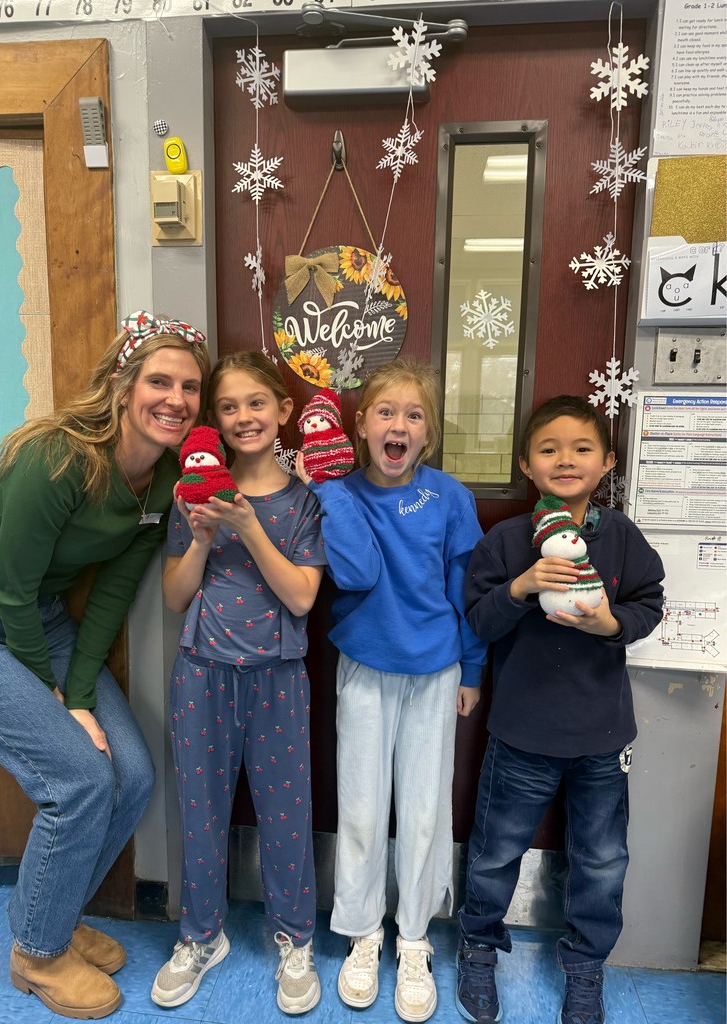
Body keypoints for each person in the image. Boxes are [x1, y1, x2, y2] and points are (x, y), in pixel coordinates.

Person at [0, 310, 210, 1019]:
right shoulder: (60, 457)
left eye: (190, 386)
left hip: (39, 622)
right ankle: (36, 954)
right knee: (77, 778)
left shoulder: (161, 481)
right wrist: (65, 703)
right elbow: (7, 588)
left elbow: (111, 598)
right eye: (160, 380)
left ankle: (56, 920)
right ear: (125, 385)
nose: (177, 399)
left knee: (130, 774)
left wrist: (77, 690)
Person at [455, 395, 665, 1024]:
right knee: (495, 852)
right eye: (548, 449)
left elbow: (651, 603)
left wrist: (609, 622)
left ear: (605, 462)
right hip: (521, 733)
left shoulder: (622, 538)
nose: (565, 460)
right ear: (526, 462)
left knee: (602, 859)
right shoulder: (506, 540)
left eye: (581, 449)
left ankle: (584, 967)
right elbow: (479, 619)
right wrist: (522, 586)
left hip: (603, 735)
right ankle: (478, 948)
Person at [295, 359, 487, 1024]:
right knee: (362, 809)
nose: (398, 424)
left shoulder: (450, 498)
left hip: (435, 672)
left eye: (412, 415)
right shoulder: (337, 492)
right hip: (366, 671)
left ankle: (413, 939)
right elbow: (355, 573)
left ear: (427, 434)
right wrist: (330, 490)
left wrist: (472, 669)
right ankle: (362, 932)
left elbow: (470, 588)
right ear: (360, 426)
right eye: (385, 413)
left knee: (427, 811)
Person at [151, 351, 326, 1015]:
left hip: (279, 678)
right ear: (214, 421)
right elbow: (173, 598)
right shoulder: (190, 491)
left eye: (257, 403)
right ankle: (201, 936)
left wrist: (249, 527)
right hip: (201, 675)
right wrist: (199, 539)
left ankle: (295, 938)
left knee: (287, 816)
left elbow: (303, 598)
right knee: (200, 810)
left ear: (282, 411)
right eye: (228, 407)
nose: (243, 417)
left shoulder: (305, 499)